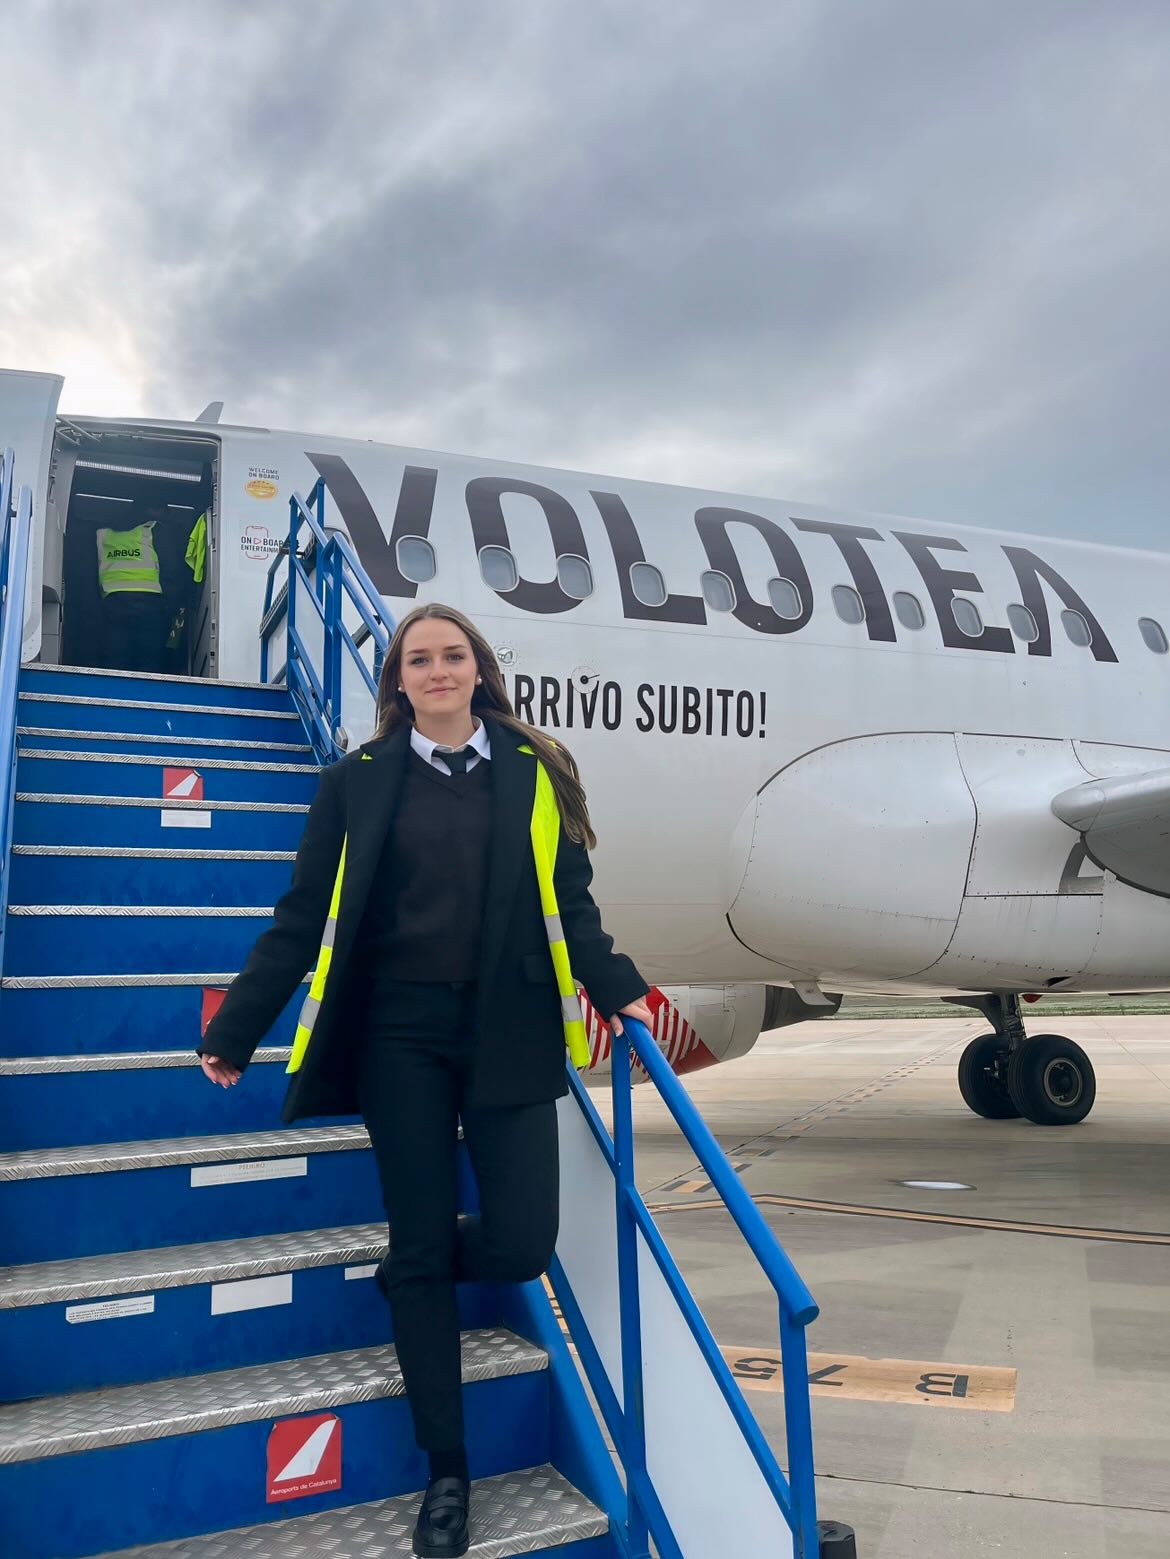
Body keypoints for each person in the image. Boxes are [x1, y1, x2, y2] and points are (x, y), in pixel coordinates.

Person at [197, 602, 651, 1558]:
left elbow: (572, 905)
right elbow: (302, 915)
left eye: (453, 655)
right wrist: (239, 1025)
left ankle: (413, 1267)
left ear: (478, 669)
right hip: (398, 1036)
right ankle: (447, 1473)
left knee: (523, 1241)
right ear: (398, 681)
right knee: (420, 1235)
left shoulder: (532, 769)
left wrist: (624, 991)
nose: (438, 670)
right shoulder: (356, 780)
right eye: (419, 659)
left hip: (509, 1027)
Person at [96, 499, 169, 672]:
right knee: (149, 663)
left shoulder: (102, 534)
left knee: (115, 662)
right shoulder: (153, 530)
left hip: (113, 605)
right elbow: (172, 571)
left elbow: (88, 572)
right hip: (151, 605)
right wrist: (172, 608)